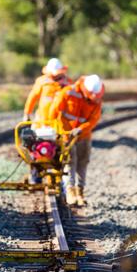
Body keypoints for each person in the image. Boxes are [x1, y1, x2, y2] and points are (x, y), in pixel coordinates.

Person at [49, 74, 104, 206]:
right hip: (66, 134)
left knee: (83, 162)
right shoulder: (68, 92)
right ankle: (70, 191)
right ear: (86, 91)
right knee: (70, 161)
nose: (95, 100)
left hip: (83, 136)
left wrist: (81, 129)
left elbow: (93, 120)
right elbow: (54, 112)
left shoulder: (96, 99)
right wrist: (61, 130)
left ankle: (80, 192)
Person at [23, 57, 73, 126]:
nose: (56, 76)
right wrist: (27, 113)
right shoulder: (42, 81)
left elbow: (73, 101)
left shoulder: (68, 83)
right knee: (35, 134)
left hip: (61, 121)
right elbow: (32, 97)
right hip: (42, 119)